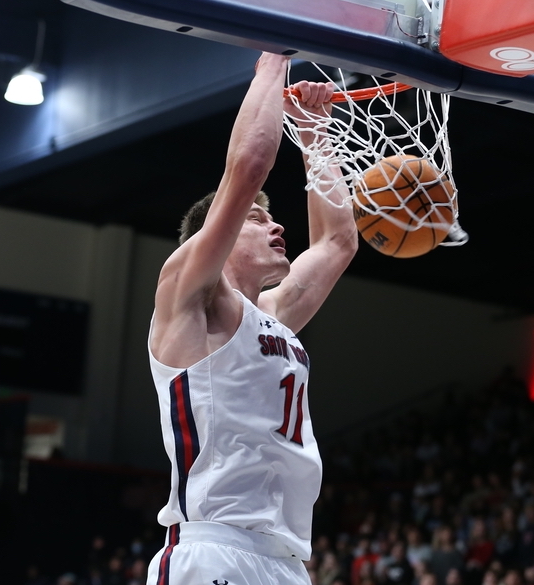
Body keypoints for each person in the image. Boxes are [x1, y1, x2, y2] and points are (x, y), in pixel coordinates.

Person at [145, 51, 357, 585]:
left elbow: (337, 241)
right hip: (213, 546)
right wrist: (275, 56)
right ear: (213, 236)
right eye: (258, 218)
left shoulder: (274, 315)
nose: (276, 224)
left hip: (284, 561)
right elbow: (249, 166)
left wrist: (314, 135)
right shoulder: (189, 295)